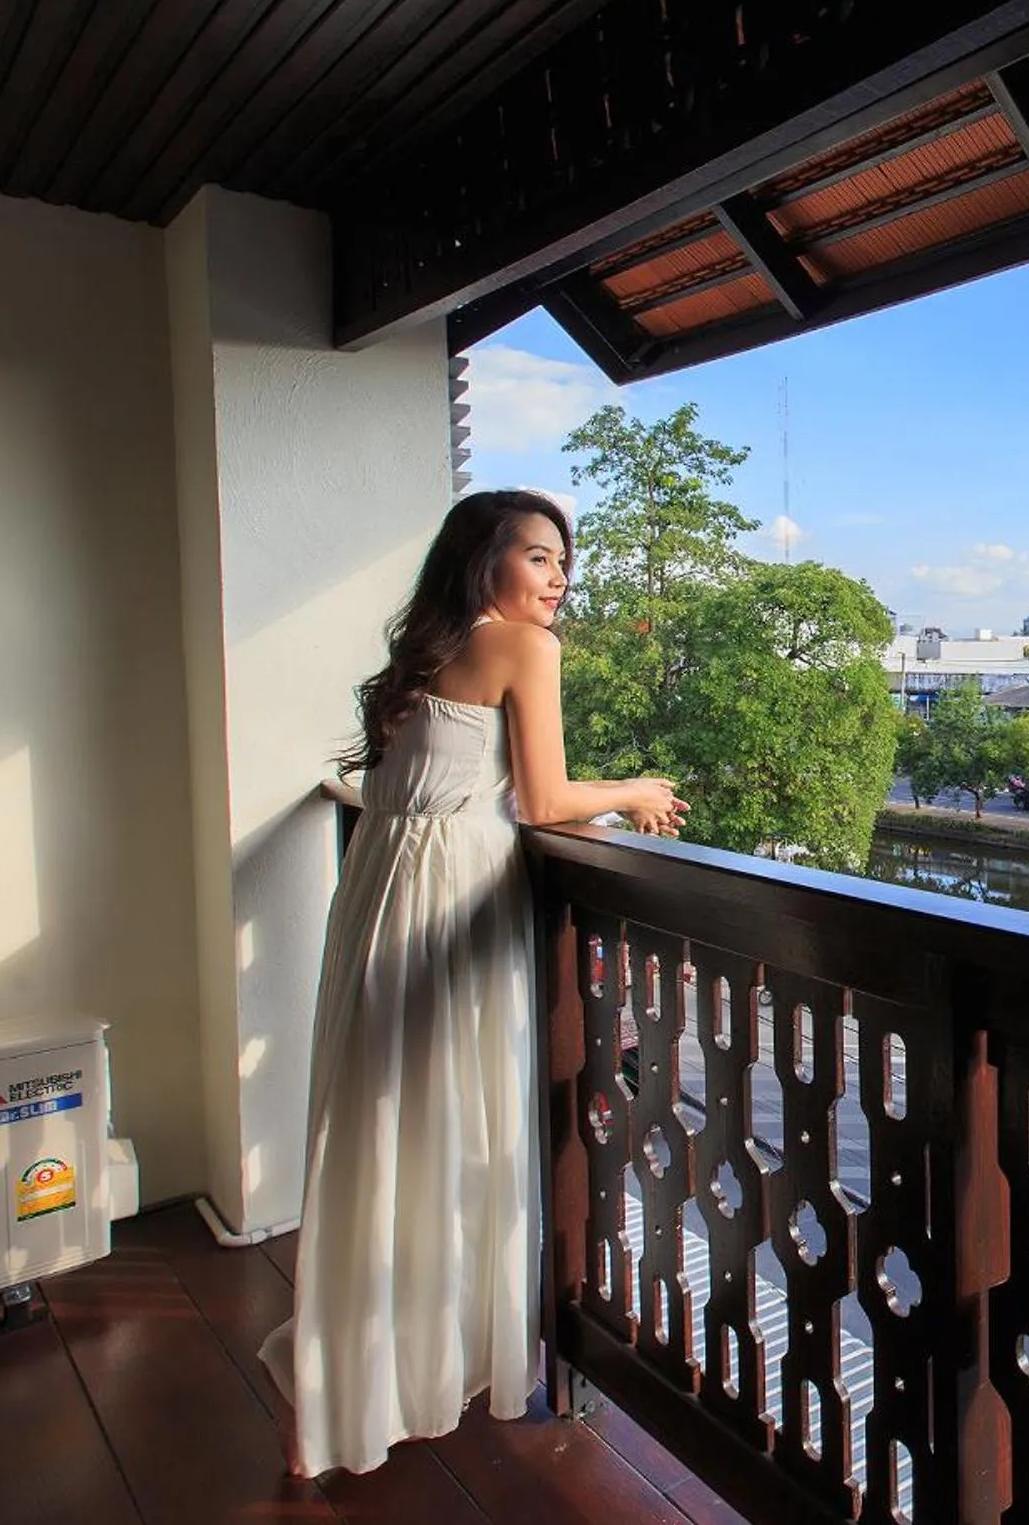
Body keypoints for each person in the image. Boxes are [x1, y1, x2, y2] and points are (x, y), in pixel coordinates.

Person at [258, 489, 686, 1478]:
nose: (556, 581)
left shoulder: (427, 651)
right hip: (450, 901)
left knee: (379, 1130)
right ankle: (407, 1368)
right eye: (537, 557)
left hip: (380, 890)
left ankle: (345, 1384)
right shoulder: (523, 649)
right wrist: (635, 791)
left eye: (561, 565)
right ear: (484, 557)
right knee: (447, 1130)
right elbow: (542, 798)